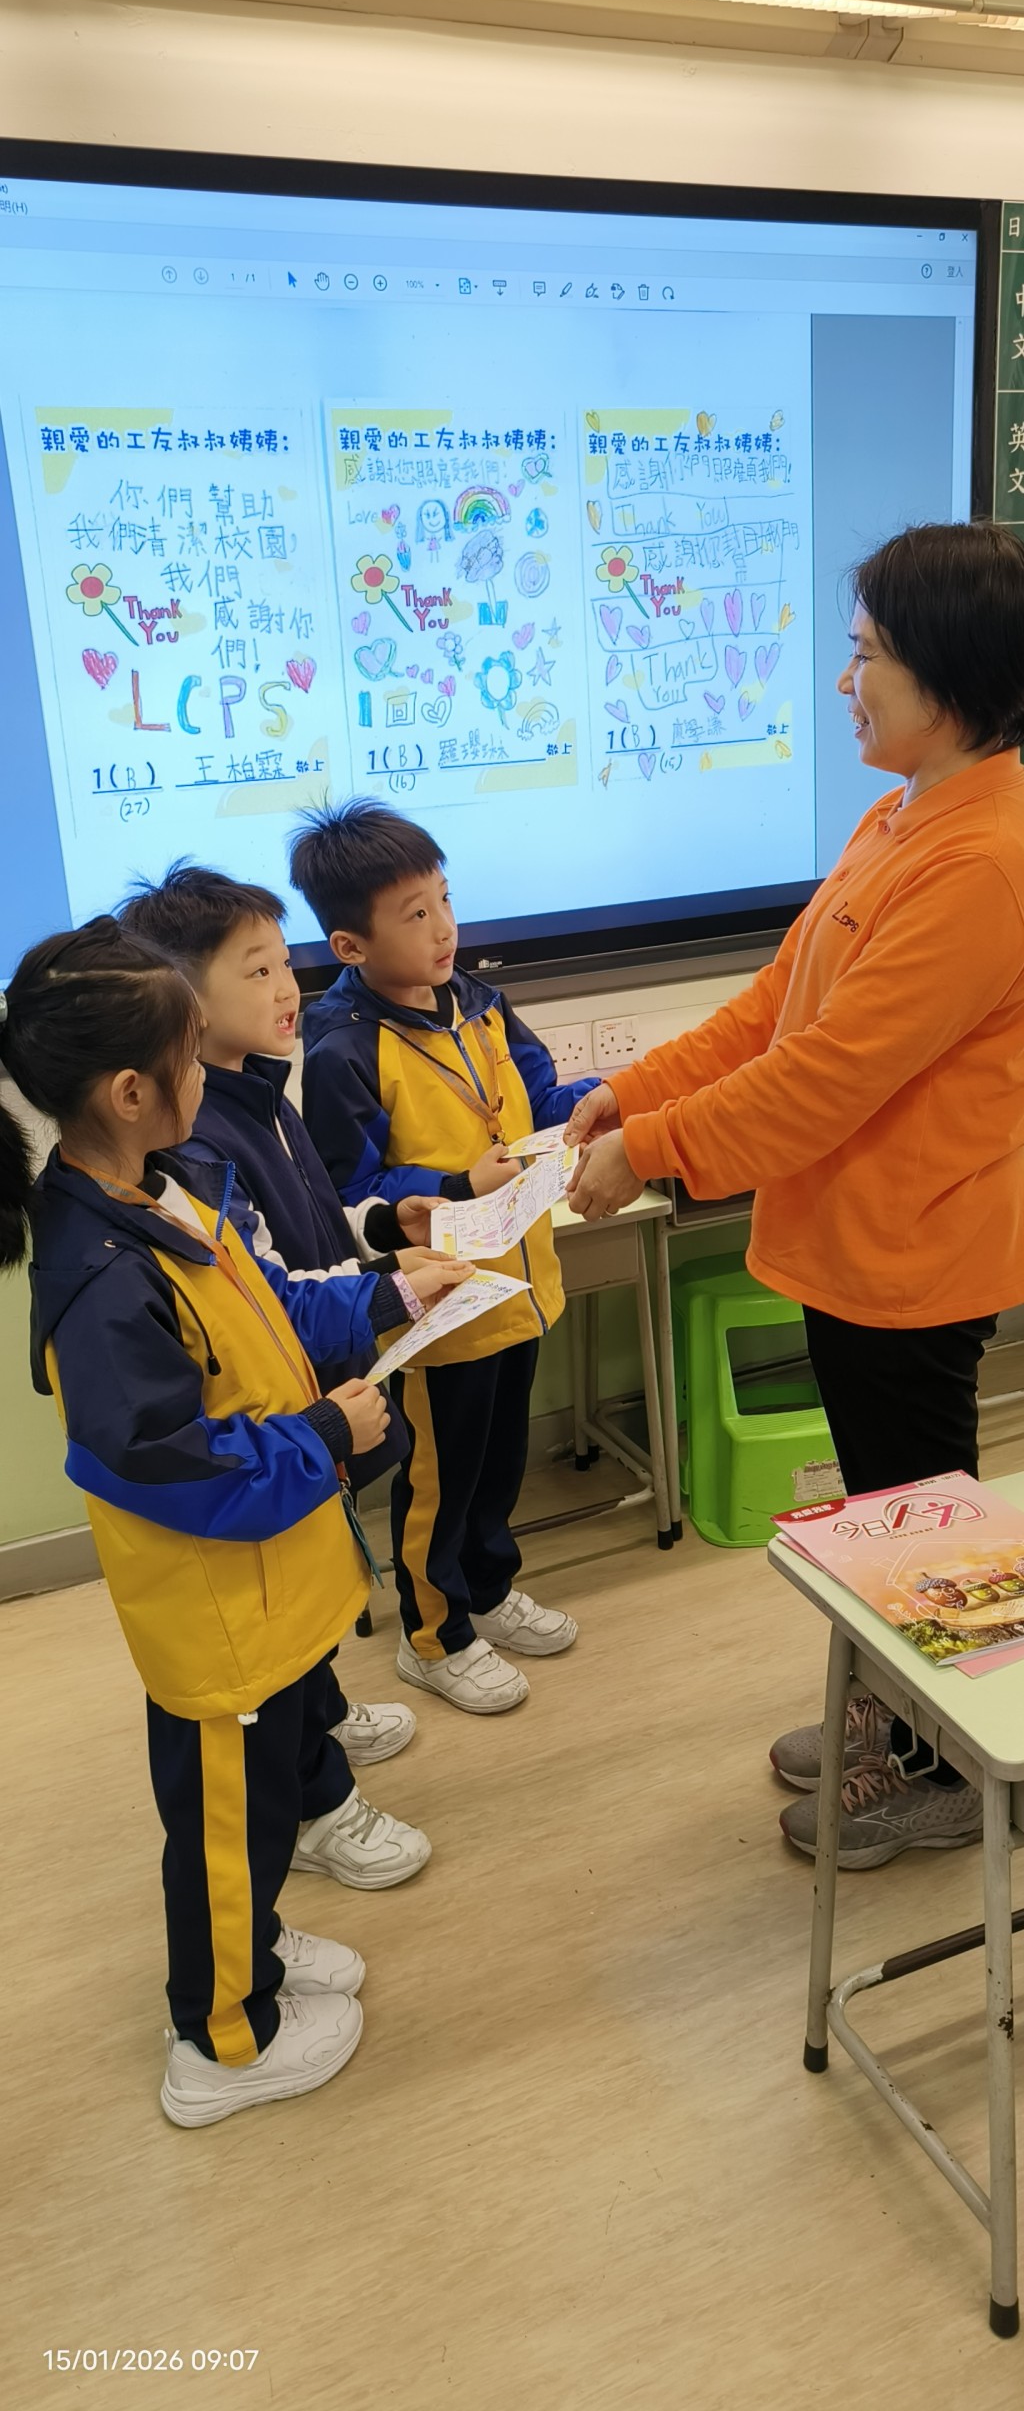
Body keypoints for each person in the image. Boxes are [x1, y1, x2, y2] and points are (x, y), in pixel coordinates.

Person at [567, 522, 1024, 1869]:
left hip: (914, 1262)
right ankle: (895, 1715)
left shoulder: (980, 862)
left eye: (867, 656)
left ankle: (945, 1769)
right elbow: (777, 1006)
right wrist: (633, 1095)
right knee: (884, 1521)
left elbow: (824, 1081)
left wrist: (652, 1150)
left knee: (927, 1529)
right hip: (857, 1248)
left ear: (946, 675)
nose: (845, 682)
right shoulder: (904, 814)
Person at [0, 917, 443, 2125]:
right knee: (220, 1832)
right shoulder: (99, 1280)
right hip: (218, 1614)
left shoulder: (166, 1189)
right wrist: (326, 1435)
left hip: (269, 1584)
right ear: (131, 1089)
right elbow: (169, 1462)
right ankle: (224, 2039)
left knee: (252, 1821)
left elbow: (268, 1317)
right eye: (192, 1052)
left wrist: (382, 1302)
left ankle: (257, 1950)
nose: (208, 1070)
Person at [120, 863, 472, 1839]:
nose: (289, 988)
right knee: (286, 1591)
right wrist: (392, 1288)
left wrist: (382, 1227)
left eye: (285, 963)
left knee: (318, 1573)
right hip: (273, 1406)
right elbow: (267, 1293)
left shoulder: (262, 1092)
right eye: (257, 970)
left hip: (313, 1387)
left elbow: (308, 1227)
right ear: (182, 1003)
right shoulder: (195, 1139)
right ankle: (314, 1792)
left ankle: (320, 1711)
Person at [290, 801, 599, 1714]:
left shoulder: (480, 1001)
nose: (443, 929)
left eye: (445, 901)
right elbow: (352, 1193)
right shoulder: (344, 1047)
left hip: (519, 1286)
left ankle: (488, 1590)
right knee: (439, 1479)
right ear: (350, 945)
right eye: (415, 914)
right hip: (439, 1312)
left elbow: (536, 1095)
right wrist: (456, 1182)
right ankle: (433, 1635)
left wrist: (597, 1105)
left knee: (499, 1465)